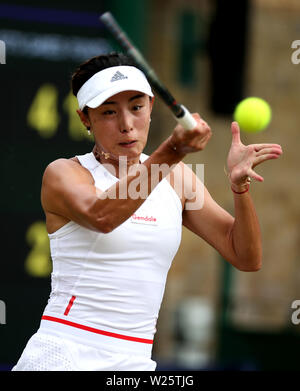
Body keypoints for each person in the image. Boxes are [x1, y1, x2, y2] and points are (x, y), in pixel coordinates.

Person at [12, 52, 282, 371]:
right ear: (85, 118)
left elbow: (246, 256)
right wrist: (174, 150)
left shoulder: (179, 179)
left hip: (135, 362)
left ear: (151, 107)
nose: (127, 125)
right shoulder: (64, 174)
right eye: (109, 112)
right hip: (65, 355)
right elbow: (102, 217)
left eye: (137, 107)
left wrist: (239, 188)